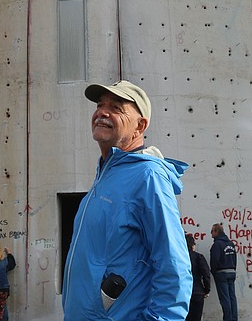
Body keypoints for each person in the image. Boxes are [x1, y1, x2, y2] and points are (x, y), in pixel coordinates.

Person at [62, 80, 192, 320]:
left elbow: (174, 267)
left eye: (116, 107)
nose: (102, 112)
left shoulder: (148, 177)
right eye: (100, 105)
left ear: (139, 126)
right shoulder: (105, 175)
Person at [210, 223, 238, 321]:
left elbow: (214, 260)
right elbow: (235, 258)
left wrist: (214, 272)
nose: (211, 234)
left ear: (216, 231)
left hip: (221, 274)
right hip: (231, 272)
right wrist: (234, 269)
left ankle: (228, 319)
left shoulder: (217, 244)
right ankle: (234, 318)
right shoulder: (231, 243)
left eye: (212, 231)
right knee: (232, 298)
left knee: (225, 299)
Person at [185, 234, 212, 321]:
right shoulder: (199, 257)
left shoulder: (179, 258)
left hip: (183, 293)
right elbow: (206, 274)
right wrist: (206, 289)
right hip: (197, 292)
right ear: (192, 245)